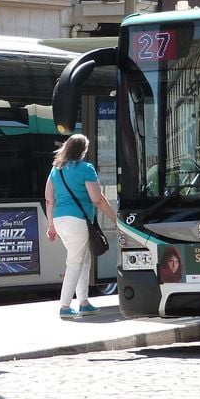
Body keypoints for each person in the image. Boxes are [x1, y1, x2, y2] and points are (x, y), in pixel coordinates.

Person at [45, 133, 117, 319]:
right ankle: (65, 306)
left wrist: (51, 225)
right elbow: (98, 199)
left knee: (84, 260)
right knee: (75, 262)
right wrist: (115, 219)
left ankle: (84, 302)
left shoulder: (56, 169)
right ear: (82, 150)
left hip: (60, 220)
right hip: (77, 221)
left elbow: (49, 199)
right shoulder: (86, 169)